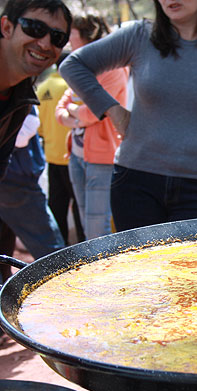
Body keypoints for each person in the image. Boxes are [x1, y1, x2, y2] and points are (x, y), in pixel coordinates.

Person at [59, 0, 197, 232]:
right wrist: (113, 111)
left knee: (192, 269)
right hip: (135, 184)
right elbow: (73, 66)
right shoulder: (139, 35)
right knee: (141, 269)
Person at [56, 14, 128, 240]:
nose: (67, 38)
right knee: (86, 222)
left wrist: (75, 114)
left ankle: (102, 273)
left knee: (97, 226)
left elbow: (94, 111)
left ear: (87, 33)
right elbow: (61, 108)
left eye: (71, 32)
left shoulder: (113, 69)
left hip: (101, 157)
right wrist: (78, 114)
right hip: (77, 155)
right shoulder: (78, 67)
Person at [0, 0, 71, 180]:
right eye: (34, 28)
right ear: (7, 27)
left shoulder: (21, 97)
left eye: (57, 37)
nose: (45, 44)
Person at [0, 106, 65, 282]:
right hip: (15, 180)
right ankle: (68, 298)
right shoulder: (13, 88)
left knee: (5, 242)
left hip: (12, 177)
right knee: (53, 254)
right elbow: (24, 132)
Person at [36, 52, 85, 245]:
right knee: (80, 210)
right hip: (73, 158)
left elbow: (38, 127)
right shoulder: (72, 88)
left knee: (57, 210)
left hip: (51, 158)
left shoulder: (43, 87)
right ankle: (84, 254)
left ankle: (59, 254)